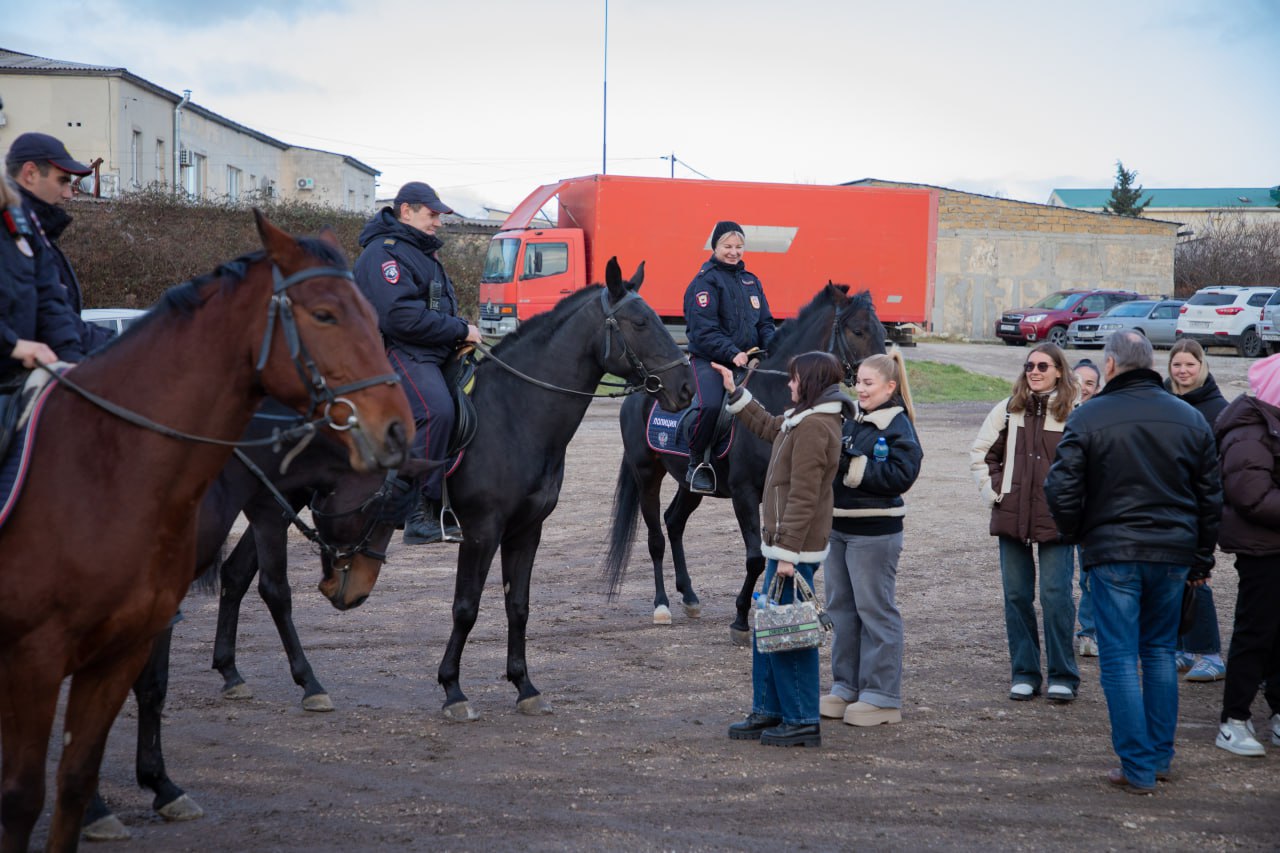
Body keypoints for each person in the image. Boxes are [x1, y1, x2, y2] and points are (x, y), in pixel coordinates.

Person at [1045, 331, 1222, 794]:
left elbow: (1059, 488)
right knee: (1159, 652)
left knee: (1122, 659)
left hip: (1113, 553)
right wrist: (1200, 558)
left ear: (1109, 366)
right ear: (1150, 363)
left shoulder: (1090, 416)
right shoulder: (1189, 417)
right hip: (1172, 554)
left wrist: (1076, 534)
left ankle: (1140, 767)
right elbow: (1210, 498)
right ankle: (1157, 758)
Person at [716, 351, 850, 747]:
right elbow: (770, 425)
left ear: (808, 384)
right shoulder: (801, 421)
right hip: (781, 548)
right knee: (770, 631)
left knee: (793, 636)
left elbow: (805, 497)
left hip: (792, 552)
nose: (789, 385)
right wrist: (735, 393)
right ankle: (769, 709)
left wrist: (788, 553)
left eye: (794, 380)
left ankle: (802, 719)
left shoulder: (815, 427)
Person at [353, 181, 481, 544]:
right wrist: (459, 328)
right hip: (397, 350)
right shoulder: (384, 253)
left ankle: (454, 501)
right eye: (432, 214)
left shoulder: (418, 251)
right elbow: (399, 318)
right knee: (437, 410)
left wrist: (457, 335)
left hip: (433, 349)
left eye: (439, 215)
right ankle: (416, 511)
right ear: (406, 210)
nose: (438, 222)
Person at [970, 343, 1080, 702]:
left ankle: (1063, 674)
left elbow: (1089, 465)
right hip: (1013, 514)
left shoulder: (1074, 413)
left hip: (1056, 519)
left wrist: (1071, 505)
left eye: (1042, 366)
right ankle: (1025, 672)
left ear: (1059, 370)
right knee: (1016, 596)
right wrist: (997, 491)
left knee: (1055, 596)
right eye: (1029, 365)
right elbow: (982, 454)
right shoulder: (1008, 409)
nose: (1034, 371)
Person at [819, 351, 922, 727]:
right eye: (858, 381)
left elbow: (901, 475)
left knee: (875, 611)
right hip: (839, 528)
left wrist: (851, 465)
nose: (859, 389)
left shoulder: (898, 425)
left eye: (868, 383)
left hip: (875, 535)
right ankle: (846, 686)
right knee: (841, 611)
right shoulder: (851, 420)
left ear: (890, 387)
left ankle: (882, 697)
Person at [1210, 352, 1280, 757]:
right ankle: (1233, 719)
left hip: (1275, 545)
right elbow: (1251, 496)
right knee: (1256, 633)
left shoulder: (1271, 425)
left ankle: (1277, 714)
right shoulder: (1251, 431)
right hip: (1263, 549)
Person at [682, 221, 776, 494]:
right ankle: (697, 461)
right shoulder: (704, 282)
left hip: (750, 360)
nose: (734, 252)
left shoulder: (751, 281)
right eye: (727, 246)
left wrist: (772, 348)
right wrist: (731, 353)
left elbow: (766, 323)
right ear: (715, 247)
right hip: (711, 361)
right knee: (711, 406)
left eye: (738, 246)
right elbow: (704, 331)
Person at [5, 131, 112, 353]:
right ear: (30, 173)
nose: (69, 194)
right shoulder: (17, 227)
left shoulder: (31, 230)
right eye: (62, 181)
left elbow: (55, 314)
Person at [1164, 339, 1229, 683]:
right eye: (1177, 365)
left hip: (1198, 506)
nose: (1183, 371)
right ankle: (1183, 648)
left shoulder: (1218, 408)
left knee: (1196, 577)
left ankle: (1209, 652)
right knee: (1170, 577)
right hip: (1164, 505)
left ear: (1202, 366)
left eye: (1190, 364)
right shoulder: (1162, 401)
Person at [1, 174, 85, 382]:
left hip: (16, 378)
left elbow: (48, 298)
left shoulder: (16, 219)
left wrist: (72, 362)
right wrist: (13, 345)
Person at [1071, 358, 1102, 658]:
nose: (1082, 388)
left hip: (1090, 509)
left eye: (1089, 383)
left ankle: (1088, 632)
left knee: (1090, 575)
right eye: (1077, 381)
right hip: (1058, 506)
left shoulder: (1103, 417)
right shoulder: (1053, 412)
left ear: (1097, 388)